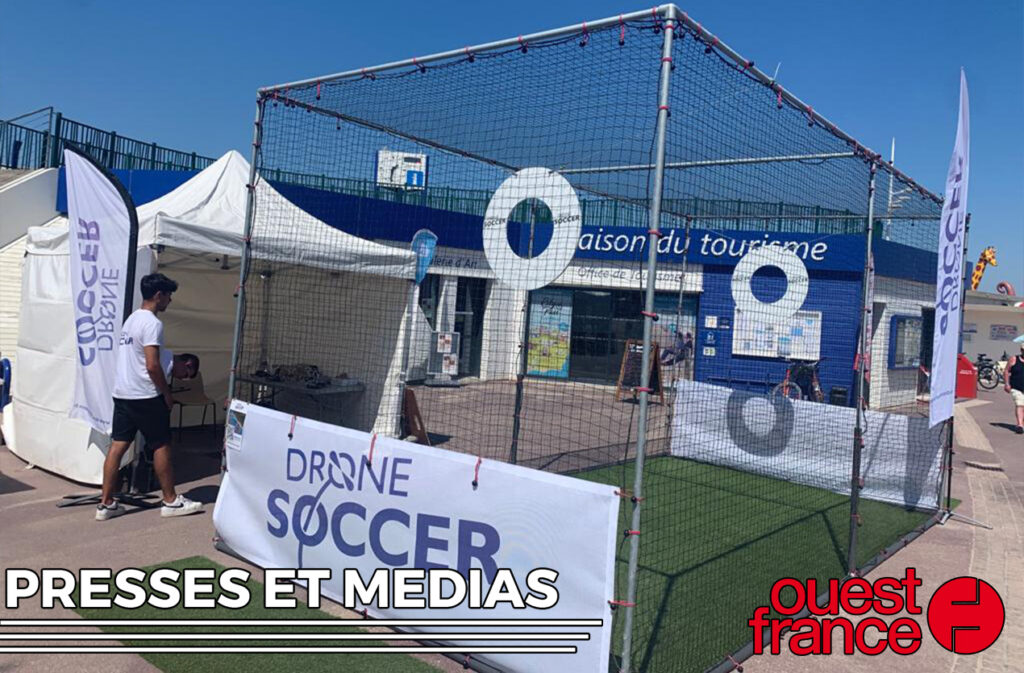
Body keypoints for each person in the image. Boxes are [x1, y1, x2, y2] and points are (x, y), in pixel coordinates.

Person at [96, 273, 204, 520]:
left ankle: (106, 504)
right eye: (168, 296)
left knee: (118, 446)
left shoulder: (131, 320)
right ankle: (171, 501)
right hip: (145, 395)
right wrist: (166, 393)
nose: (170, 300)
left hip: (122, 394)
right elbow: (152, 365)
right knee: (161, 444)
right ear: (158, 295)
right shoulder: (152, 324)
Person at [1003, 344, 1024, 435]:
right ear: (1021, 350)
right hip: (1016, 387)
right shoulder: (1014, 359)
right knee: (1020, 404)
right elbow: (1006, 371)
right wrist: (1007, 383)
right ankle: (1020, 425)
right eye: (1023, 350)